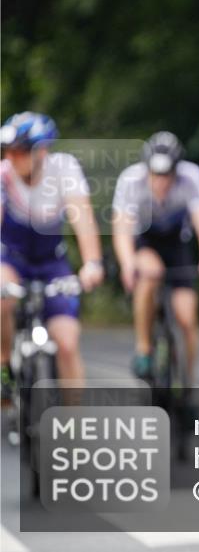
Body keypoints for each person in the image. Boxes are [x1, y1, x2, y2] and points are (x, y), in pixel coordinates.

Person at [1, 112, 104, 398]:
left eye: (19, 151)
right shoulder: (4, 175)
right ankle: (4, 366)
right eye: (7, 151)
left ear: (42, 151)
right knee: (2, 298)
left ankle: (71, 422)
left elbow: (82, 217)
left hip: (52, 263)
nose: (11, 157)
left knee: (68, 342)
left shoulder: (64, 169)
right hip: (12, 258)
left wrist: (92, 263)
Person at [111, 131, 199, 383]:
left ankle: (187, 382)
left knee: (187, 318)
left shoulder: (192, 177)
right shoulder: (130, 180)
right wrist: (128, 264)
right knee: (150, 273)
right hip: (145, 240)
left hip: (177, 243)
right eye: (155, 175)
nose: (161, 182)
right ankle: (143, 347)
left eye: (167, 175)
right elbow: (122, 230)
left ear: (176, 170)